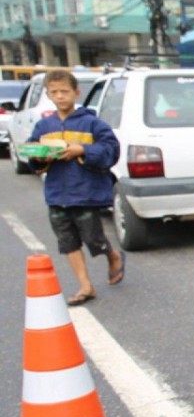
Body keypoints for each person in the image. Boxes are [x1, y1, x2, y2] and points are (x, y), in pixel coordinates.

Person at [26, 69, 124, 306]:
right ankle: (85, 286)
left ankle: (112, 255)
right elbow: (33, 155)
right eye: (54, 92)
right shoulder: (44, 126)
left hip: (86, 192)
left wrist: (82, 150)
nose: (60, 96)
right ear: (49, 95)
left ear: (76, 92)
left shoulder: (92, 122)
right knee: (67, 241)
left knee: (93, 238)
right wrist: (40, 156)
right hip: (57, 193)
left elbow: (111, 149)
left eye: (65, 91)